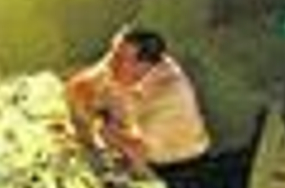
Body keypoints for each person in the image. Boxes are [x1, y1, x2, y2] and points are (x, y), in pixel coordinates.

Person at [64, 24, 211, 175]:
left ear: (143, 66)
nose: (110, 64)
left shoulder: (169, 94)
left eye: (120, 59)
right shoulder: (121, 60)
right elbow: (78, 86)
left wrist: (102, 130)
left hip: (179, 166)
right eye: (113, 53)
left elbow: (139, 156)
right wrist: (86, 134)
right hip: (134, 146)